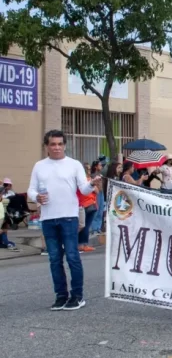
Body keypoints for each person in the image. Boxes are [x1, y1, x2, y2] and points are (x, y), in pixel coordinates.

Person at [28, 130, 101, 311]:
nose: (57, 147)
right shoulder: (39, 166)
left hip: (69, 217)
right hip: (48, 218)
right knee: (54, 259)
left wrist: (92, 184)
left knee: (72, 257)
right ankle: (61, 296)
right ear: (46, 146)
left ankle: (77, 296)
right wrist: (37, 196)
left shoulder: (74, 165)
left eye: (60, 144)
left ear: (65, 145)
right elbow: (31, 190)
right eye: (53, 144)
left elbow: (83, 189)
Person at [76, 167, 98, 253]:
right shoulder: (87, 180)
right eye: (88, 170)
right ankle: (83, 244)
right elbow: (97, 191)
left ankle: (81, 244)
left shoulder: (78, 182)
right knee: (85, 225)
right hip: (88, 204)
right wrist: (93, 183)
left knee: (83, 225)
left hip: (84, 204)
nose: (90, 171)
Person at [89, 161, 105, 236]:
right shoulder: (93, 175)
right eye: (100, 165)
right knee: (96, 210)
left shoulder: (100, 175)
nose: (101, 166)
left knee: (101, 211)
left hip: (101, 193)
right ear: (96, 166)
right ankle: (94, 228)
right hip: (96, 193)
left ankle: (98, 228)